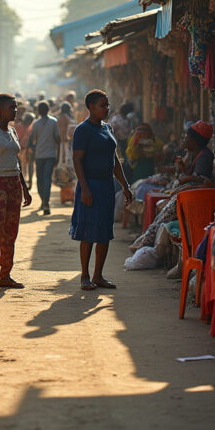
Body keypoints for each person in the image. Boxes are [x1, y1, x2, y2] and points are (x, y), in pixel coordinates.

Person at [70, 89, 133, 291]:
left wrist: (125, 185)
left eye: (107, 105)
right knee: (88, 232)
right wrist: (85, 189)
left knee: (104, 232)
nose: (106, 109)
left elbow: (115, 160)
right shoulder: (83, 130)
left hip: (107, 186)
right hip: (90, 186)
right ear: (91, 107)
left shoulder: (108, 129)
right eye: (102, 105)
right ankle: (85, 275)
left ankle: (98, 275)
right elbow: (77, 160)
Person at [0, 93, 32, 292]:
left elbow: (16, 161)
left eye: (15, 107)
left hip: (13, 185)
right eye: (12, 107)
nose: (15, 110)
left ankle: (6, 275)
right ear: (0, 109)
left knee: (11, 231)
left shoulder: (12, 131)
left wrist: (24, 188)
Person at [28, 101, 61, 215]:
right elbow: (58, 140)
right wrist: (59, 154)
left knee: (40, 180)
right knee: (47, 179)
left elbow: (32, 140)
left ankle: (44, 201)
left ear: (38, 111)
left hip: (40, 155)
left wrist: (31, 151)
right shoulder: (53, 122)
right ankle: (45, 202)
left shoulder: (36, 123)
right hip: (50, 155)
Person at [19, 111, 35, 190]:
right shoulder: (33, 127)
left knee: (23, 166)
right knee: (30, 166)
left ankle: (24, 181)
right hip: (29, 149)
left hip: (22, 149)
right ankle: (30, 181)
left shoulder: (20, 126)